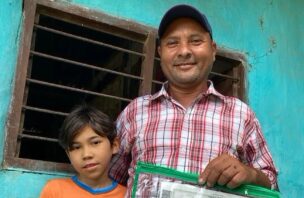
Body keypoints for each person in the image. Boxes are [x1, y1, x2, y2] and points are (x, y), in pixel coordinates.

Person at [109, 4, 278, 197]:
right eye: (172, 43)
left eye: (196, 41)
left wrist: (249, 174)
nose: (184, 51)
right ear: (160, 52)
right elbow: (110, 179)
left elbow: (271, 184)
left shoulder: (241, 114)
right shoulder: (135, 112)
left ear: (213, 50)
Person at [40, 104, 126, 198]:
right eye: (77, 147)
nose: (86, 154)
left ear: (114, 145)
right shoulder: (55, 190)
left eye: (95, 142)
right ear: (68, 154)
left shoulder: (126, 195)